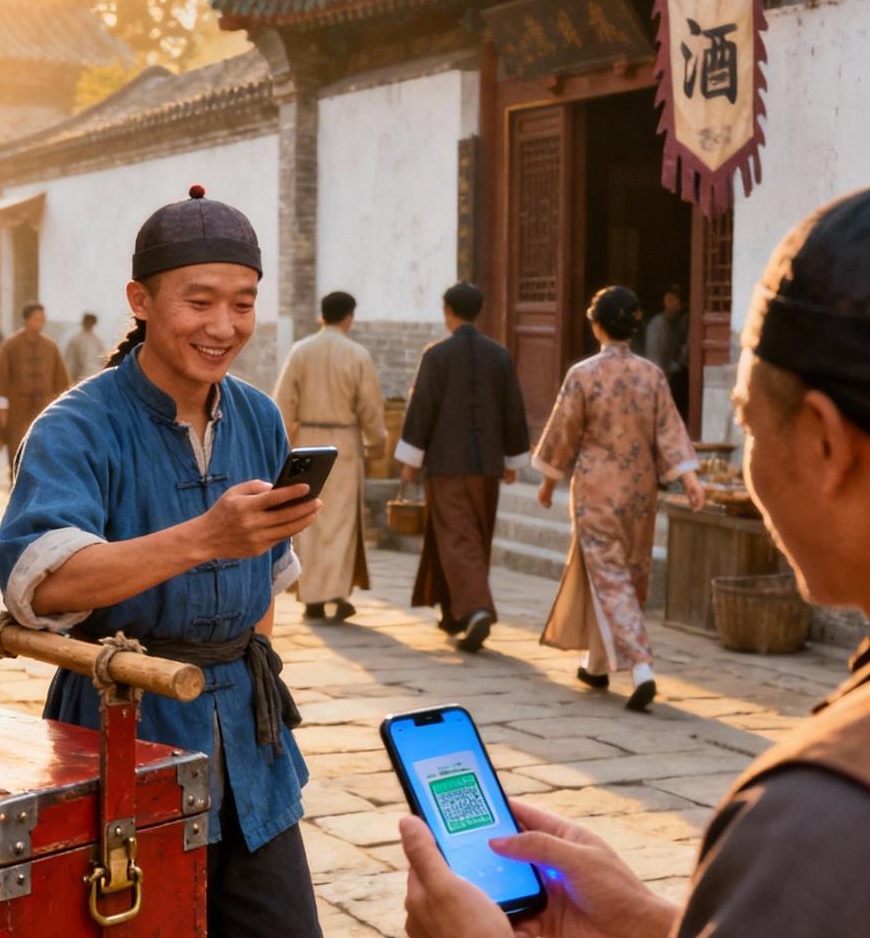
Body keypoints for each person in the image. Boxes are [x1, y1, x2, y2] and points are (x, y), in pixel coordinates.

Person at [398, 189, 870, 938]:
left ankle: (630, 659)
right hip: (638, 489)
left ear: (825, 439)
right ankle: (636, 657)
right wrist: (673, 933)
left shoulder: (825, 812)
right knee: (618, 585)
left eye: (752, 424)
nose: (749, 456)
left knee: (602, 580)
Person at [0, 184, 327, 938]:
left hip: (245, 727)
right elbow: (37, 581)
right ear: (139, 299)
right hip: (124, 728)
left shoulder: (259, 416)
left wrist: (238, 618)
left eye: (240, 300)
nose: (223, 324)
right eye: (198, 300)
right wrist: (195, 539)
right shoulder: (77, 424)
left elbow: (271, 568)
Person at [535, 285, 704, 711]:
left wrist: (549, 481)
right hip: (640, 489)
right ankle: (595, 664)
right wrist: (688, 477)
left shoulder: (584, 374)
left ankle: (641, 666)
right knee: (624, 573)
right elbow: (669, 430)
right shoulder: (652, 374)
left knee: (609, 576)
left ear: (595, 324)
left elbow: (563, 433)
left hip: (595, 488)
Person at [397, 281, 530, 653]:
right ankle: (453, 612)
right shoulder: (499, 355)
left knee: (457, 538)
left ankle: (475, 609)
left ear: (448, 312)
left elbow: (421, 409)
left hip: (447, 465)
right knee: (471, 537)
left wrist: (410, 461)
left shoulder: (436, 356)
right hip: (487, 466)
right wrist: (512, 459)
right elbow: (513, 411)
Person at [274, 290, 385, 622]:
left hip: (308, 442)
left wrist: (284, 443)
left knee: (310, 518)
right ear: (349, 317)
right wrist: (377, 440)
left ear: (321, 315)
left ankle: (312, 596)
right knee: (340, 522)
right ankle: (335, 593)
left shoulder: (301, 351)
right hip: (345, 443)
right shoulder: (357, 354)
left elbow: (282, 403)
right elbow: (370, 406)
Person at [0, 302, 69, 465]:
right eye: (36, 318)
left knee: (43, 453)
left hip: (44, 408)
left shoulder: (50, 346)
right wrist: (1, 410)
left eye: (42, 319)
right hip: (17, 409)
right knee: (17, 452)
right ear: (26, 320)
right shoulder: (11, 345)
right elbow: (0, 377)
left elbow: (61, 380)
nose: (40, 322)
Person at [644, 282, 690, 421]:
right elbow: (656, 360)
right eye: (669, 299)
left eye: (676, 299)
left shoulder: (679, 321)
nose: (673, 303)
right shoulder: (659, 325)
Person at [63, 311, 105, 385]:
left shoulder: (97, 341)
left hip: (95, 378)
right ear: (84, 323)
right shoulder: (75, 340)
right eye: (88, 323)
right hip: (79, 379)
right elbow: (69, 362)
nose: (90, 326)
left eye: (91, 324)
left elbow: (103, 360)